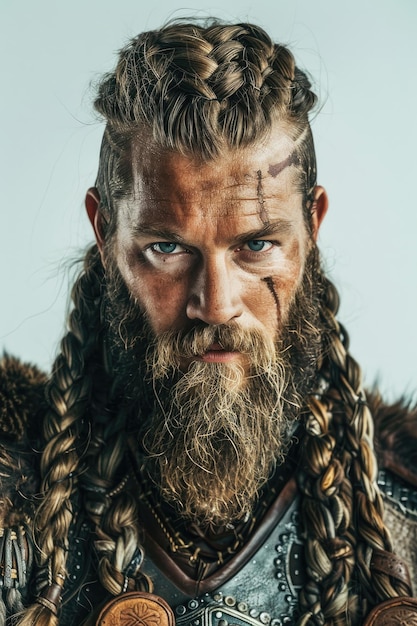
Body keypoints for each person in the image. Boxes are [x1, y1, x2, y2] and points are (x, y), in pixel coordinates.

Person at [0, 18, 416, 626]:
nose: (216, 304)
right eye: (167, 249)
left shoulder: (406, 521)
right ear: (105, 231)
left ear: (312, 227)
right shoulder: (15, 512)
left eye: (256, 245)